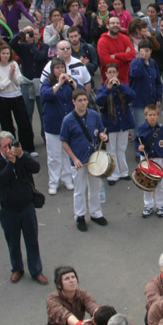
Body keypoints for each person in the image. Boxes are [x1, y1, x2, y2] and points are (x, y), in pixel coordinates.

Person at [0, 131, 46, 285]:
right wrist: (11, 162)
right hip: (9, 210)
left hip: (27, 206)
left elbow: (36, 168)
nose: (10, 148)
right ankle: (17, 268)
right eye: (5, 146)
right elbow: (2, 179)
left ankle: (36, 270)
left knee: (32, 240)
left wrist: (22, 156)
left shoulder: (22, 155)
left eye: (11, 144)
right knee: (13, 242)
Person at [60, 88, 108, 232]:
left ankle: (96, 213)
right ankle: (80, 216)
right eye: (79, 100)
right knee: (79, 190)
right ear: (73, 102)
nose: (83, 103)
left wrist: (102, 136)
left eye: (85, 100)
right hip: (79, 161)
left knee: (95, 187)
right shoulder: (68, 120)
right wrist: (74, 159)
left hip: (93, 158)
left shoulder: (93, 115)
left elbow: (100, 131)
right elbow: (64, 141)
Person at [134, 104, 163, 218]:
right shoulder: (142, 128)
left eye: (154, 115)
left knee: (161, 184)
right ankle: (148, 205)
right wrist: (139, 147)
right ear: (145, 116)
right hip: (146, 159)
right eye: (149, 115)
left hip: (159, 159)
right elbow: (137, 142)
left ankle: (160, 204)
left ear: (158, 115)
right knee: (147, 183)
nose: (152, 117)